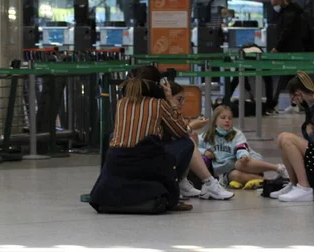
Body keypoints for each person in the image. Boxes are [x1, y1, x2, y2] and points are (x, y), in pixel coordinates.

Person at [112, 67, 233, 203]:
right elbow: (181, 131)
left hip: (117, 159)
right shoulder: (158, 104)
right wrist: (170, 99)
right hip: (144, 161)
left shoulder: (121, 103)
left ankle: (187, 182)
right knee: (188, 142)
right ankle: (208, 182)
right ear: (159, 85)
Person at [165, 79, 234, 201]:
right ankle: (209, 183)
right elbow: (176, 132)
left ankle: (183, 181)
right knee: (189, 140)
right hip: (156, 156)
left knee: (192, 137)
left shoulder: (236, 134)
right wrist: (191, 126)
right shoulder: (163, 111)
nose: (183, 103)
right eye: (179, 99)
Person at [272, 72, 314, 202]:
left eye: (293, 98)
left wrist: (310, 133)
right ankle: (294, 185)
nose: (295, 102)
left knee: (288, 139)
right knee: (282, 138)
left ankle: (304, 187)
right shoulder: (313, 106)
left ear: (299, 94)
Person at [199, 105, 288, 190]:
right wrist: (204, 151)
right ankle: (270, 182)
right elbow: (194, 146)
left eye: (230, 118)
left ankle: (278, 168)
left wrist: (243, 156)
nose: (227, 121)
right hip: (228, 171)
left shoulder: (237, 134)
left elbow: (241, 147)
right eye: (223, 118)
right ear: (214, 121)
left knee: (239, 164)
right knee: (234, 175)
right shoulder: (207, 136)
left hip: (248, 163)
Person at [271, 0, 306, 110]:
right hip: (295, 50)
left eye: (276, 3)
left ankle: (274, 103)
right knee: (294, 78)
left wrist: (277, 47)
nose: (275, 7)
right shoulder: (295, 12)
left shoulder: (289, 14)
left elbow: (286, 32)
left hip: (290, 51)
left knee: (287, 77)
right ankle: (295, 104)